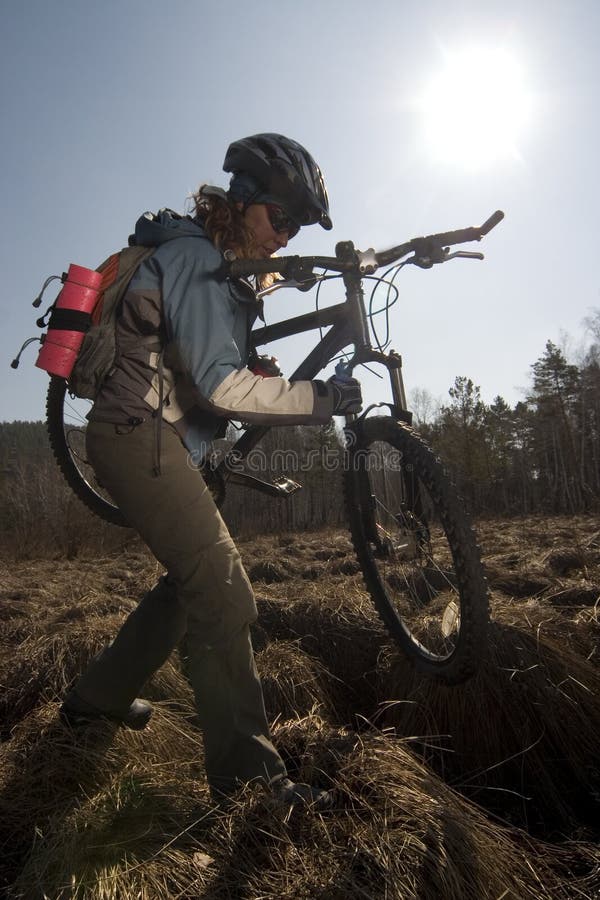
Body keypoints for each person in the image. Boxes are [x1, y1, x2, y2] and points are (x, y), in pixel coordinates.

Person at [60, 133, 362, 809]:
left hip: (162, 438)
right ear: (246, 201)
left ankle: (93, 701)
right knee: (224, 593)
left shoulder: (226, 269)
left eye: (298, 226)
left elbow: (209, 357)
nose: (286, 236)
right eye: (281, 220)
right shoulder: (196, 259)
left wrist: (295, 280)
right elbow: (222, 388)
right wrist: (317, 400)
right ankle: (252, 786)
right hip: (136, 435)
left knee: (183, 588)